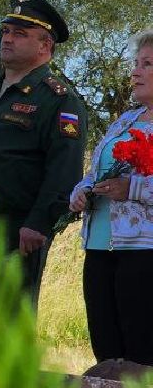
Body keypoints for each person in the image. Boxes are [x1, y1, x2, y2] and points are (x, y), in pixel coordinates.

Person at [0, 0, 87, 302]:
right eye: (5, 32)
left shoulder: (59, 100)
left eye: (20, 34)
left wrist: (39, 224)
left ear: (45, 45)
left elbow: (64, 171)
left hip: (13, 234)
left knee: (2, 327)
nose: (8, 39)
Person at [69, 31, 153, 365]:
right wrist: (81, 193)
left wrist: (130, 189)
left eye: (147, 65)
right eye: (136, 64)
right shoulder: (124, 120)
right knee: (106, 352)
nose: (135, 72)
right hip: (100, 248)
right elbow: (96, 171)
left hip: (145, 253)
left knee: (141, 355)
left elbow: (130, 184)